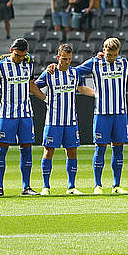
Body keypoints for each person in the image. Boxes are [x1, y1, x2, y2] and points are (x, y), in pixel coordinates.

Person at [0, 38, 42, 197]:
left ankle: (26, 187)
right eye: (18, 55)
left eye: (23, 55)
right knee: (1, 149)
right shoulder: (1, 66)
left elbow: (32, 85)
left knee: (27, 149)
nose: (21, 58)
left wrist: (46, 98)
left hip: (26, 114)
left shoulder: (29, 63)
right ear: (11, 50)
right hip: (7, 115)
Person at [33, 44, 96, 195]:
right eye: (64, 59)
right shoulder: (49, 73)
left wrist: (98, 94)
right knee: (48, 152)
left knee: (72, 152)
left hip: (70, 121)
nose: (66, 62)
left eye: (69, 59)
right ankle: (46, 186)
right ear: (58, 57)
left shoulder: (74, 73)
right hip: (53, 121)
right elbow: (33, 87)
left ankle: (71, 187)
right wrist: (44, 98)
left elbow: (81, 88)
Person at [73, 37, 128, 194]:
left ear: (118, 53)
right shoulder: (94, 63)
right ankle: (97, 185)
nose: (111, 57)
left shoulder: (124, 64)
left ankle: (116, 185)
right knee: (100, 149)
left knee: (118, 149)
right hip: (102, 113)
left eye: (114, 55)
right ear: (103, 50)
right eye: (108, 54)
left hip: (120, 114)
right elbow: (74, 71)